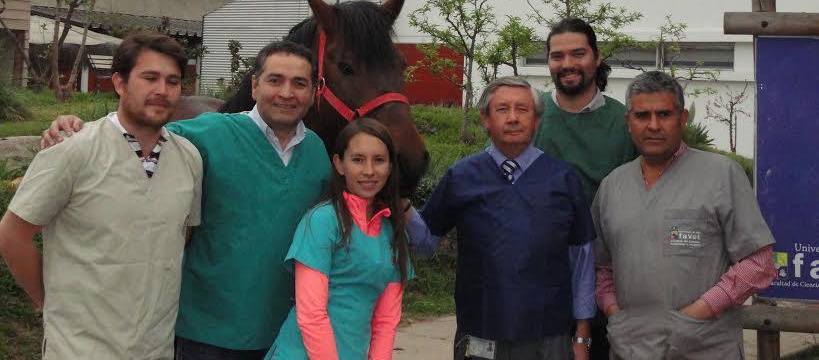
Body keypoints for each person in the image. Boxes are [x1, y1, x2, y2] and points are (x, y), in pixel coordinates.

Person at [40, 40, 332, 359]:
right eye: (275, 80)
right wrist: (72, 128)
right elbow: (133, 131)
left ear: (314, 91)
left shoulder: (318, 152)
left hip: (286, 332)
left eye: (299, 83)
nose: (287, 93)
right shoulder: (205, 134)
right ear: (254, 85)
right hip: (206, 333)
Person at [0, 32, 203, 359]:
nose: (162, 90)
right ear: (119, 83)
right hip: (79, 347)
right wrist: (50, 304)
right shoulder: (73, 150)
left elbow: (181, 235)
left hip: (155, 346)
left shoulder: (188, 158)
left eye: (173, 81)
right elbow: (11, 236)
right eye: (150, 78)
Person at [407, 76, 596, 360]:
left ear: (536, 121)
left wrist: (582, 335)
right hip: (480, 329)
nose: (512, 118)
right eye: (502, 109)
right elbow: (424, 244)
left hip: (548, 334)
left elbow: (582, 259)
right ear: (486, 118)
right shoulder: (462, 176)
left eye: (522, 109)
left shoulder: (562, 178)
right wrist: (399, 200)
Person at [592, 71, 775, 360]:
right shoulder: (611, 186)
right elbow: (601, 268)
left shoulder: (721, 175)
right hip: (630, 348)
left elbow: (758, 262)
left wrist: (696, 315)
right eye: (642, 115)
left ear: (683, 118)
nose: (653, 125)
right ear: (628, 122)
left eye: (664, 114)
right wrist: (615, 312)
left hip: (705, 346)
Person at [533, 18, 638, 358]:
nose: (567, 64)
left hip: (610, 283)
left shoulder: (627, 124)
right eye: (557, 56)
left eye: (578, 54)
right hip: (540, 281)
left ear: (596, 56)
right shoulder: (531, 118)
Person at [265, 118, 412, 360]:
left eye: (379, 160)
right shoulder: (322, 221)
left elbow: (386, 321)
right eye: (357, 159)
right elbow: (311, 314)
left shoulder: (394, 231)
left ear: (390, 167)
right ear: (339, 164)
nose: (369, 171)